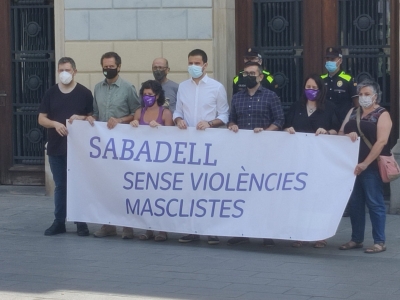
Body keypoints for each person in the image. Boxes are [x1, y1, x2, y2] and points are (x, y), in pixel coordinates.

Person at [173, 48, 229, 245]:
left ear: (205, 65)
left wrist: (209, 123)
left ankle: (211, 230)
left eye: (197, 63)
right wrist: (178, 120)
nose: (193, 67)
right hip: (188, 144)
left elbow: (224, 115)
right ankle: (191, 229)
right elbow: (177, 111)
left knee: (208, 187)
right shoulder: (183, 87)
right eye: (190, 63)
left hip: (209, 145)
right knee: (189, 187)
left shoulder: (216, 87)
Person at [227, 61, 284, 247]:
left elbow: (279, 120)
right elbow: (231, 120)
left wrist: (267, 132)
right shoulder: (236, 97)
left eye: (252, 73)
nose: (248, 76)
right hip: (242, 153)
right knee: (242, 192)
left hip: (264, 152)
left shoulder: (271, 96)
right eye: (246, 73)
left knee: (263, 193)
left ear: (260, 76)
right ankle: (242, 231)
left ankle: (266, 233)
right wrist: (232, 126)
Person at [86, 52, 141, 239]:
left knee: (123, 185)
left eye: (111, 66)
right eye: (105, 66)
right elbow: (95, 112)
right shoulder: (97, 88)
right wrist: (89, 118)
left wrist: (120, 120)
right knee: (106, 184)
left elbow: (136, 113)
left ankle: (127, 225)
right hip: (103, 144)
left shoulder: (127, 88)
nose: (108, 69)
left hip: (123, 143)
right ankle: (107, 224)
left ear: (118, 66)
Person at [38, 57, 93, 236]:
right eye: (61, 70)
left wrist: (82, 118)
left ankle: (81, 222)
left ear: (74, 71)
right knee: (61, 186)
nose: (64, 73)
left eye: (67, 70)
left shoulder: (84, 93)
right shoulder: (51, 93)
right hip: (56, 147)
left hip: (78, 149)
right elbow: (41, 118)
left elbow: (92, 118)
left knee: (78, 185)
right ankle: (59, 221)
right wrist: (55, 124)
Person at [284, 74, 341, 248]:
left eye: (314, 88)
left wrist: (327, 132)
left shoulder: (329, 108)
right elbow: (285, 126)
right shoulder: (296, 107)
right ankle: (299, 234)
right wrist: (288, 129)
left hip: (320, 161)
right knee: (300, 197)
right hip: (299, 160)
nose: (311, 91)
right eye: (308, 87)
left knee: (318, 198)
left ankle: (320, 235)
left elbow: (337, 131)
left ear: (320, 90)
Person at [339, 79, 391, 254]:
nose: (363, 97)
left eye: (367, 94)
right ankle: (356, 239)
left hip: (371, 166)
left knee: (375, 203)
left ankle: (379, 241)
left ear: (375, 96)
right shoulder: (353, 112)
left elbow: (381, 141)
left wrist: (365, 163)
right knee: (355, 203)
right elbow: (341, 133)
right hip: (352, 166)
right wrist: (348, 134)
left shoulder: (382, 114)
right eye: (361, 94)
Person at [130, 80, 174, 241]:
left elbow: (171, 137)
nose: (147, 97)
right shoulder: (139, 112)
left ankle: (161, 229)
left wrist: (160, 129)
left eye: (151, 95)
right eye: (145, 94)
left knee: (159, 196)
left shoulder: (165, 113)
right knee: (144, 195)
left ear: (158, 96)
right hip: (143, 162)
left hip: (160, 162)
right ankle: (146, 228)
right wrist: (133, 124)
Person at [321, 47, 358, 217]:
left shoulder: (348, 80)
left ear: (340, 60)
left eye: (333, 58)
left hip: (343, 129)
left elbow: (356, 105)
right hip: (326, 128)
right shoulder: (321, 80)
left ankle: (347, 204)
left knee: (343, 166)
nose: (330, 61)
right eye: (328, 58)